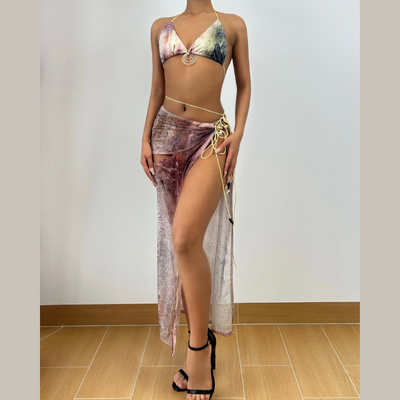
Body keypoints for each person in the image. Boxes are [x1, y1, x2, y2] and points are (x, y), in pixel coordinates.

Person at [140, 1, 250, 398]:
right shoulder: (160, 26)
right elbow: (157, 88)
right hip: (166, 137)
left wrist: (239, 133)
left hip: (212, 138)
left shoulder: (232, 25)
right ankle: (198, 340)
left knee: (185, 238)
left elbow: (244, 85)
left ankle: (199, 352)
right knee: (182, 249)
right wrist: (144, 137)